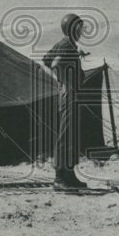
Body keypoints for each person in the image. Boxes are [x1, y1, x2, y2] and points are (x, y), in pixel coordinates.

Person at [42, 13, 89, 191]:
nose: (81, 31)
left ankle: (69, 174)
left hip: (69, 93)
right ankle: (60, 177)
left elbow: (46, 59)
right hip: (70, 94)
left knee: (71, 135)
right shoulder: (67, 45)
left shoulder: (65, 43)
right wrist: (62, 78)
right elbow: (54, 63)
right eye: (78, 27)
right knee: (66, 135)